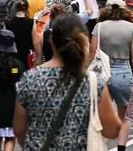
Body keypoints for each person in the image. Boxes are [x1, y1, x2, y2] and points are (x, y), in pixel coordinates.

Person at [14, 13, 122, 151]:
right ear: (84, 42)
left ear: (52, 42)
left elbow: (19, 129)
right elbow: (112, 129)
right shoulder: (93, 82)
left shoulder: (29, 79)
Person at [91, 0, 133, 151]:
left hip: (101, 72)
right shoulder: (132, 28)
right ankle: (121, 148)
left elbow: (92, 52)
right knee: (125, 116)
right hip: (123, 72)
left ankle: (102, 146)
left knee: (101, 116)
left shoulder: (98, 27)